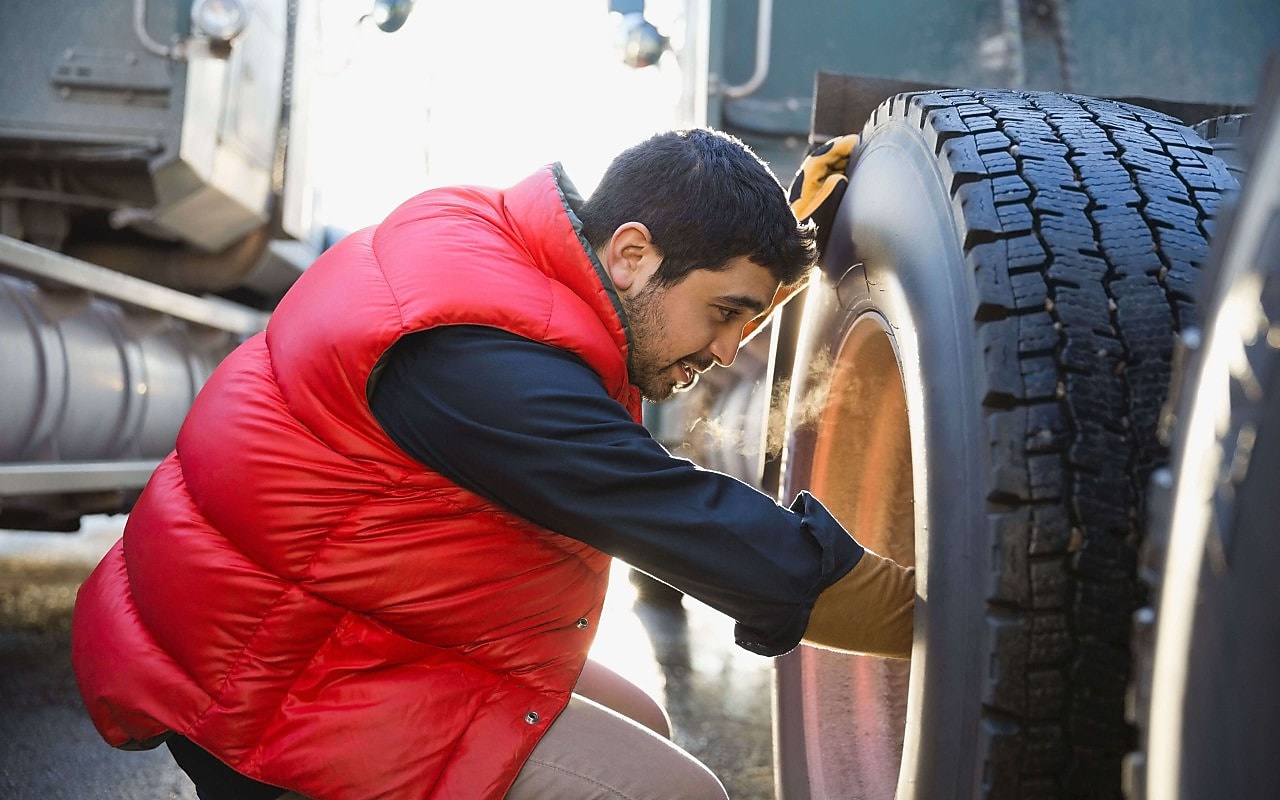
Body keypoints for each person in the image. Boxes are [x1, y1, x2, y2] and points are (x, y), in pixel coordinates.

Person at [71, 128, 913, 800]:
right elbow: (683, 519)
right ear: (628, 252)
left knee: (643, 717)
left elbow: (659, 303)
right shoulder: (479, 365)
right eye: (726, 314)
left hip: (329, 610)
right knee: (672, 792)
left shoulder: (502, 251)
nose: (730, 352)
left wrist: (776, 237)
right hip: (274, 683)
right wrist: (942, 617)